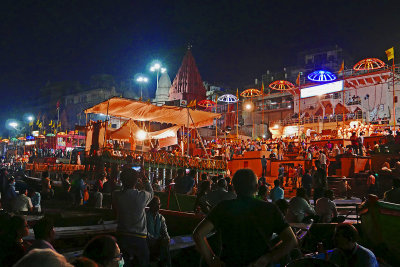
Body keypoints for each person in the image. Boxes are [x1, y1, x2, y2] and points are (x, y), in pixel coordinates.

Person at [193, 169, 297, 267]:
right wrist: (268, 258)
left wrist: (212, 260)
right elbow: (291, 240)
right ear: (256, 187)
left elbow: (198, 234)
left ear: (234, 188)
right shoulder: (270, 209)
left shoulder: (223, 207)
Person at [112, 167, 153, 266]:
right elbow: (151, 192)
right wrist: (145, 178)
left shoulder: (116, 195)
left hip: (122, 237)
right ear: (136, 181)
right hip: (139, 238)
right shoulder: (141, 196)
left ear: (121, 180)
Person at [146, 196, 171, 267]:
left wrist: (167, 237)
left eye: (159, 204)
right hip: (148, 242)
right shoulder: (144, 216)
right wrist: (153, 239)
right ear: (150, 205)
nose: (158, 206)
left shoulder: (161, 218)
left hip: (158, 243)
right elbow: (143, 231)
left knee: (165, 242)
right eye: (155, 204)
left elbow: (165, 232)